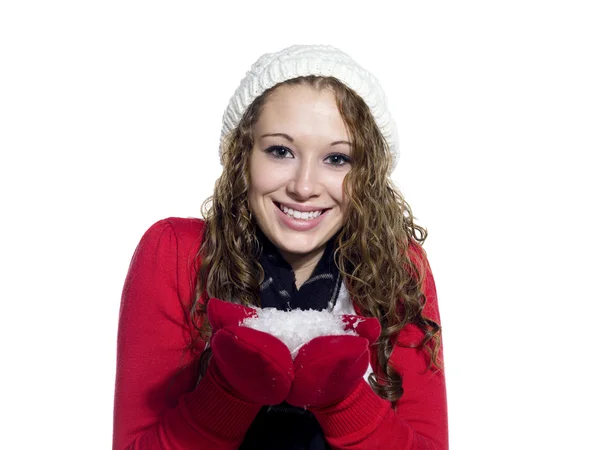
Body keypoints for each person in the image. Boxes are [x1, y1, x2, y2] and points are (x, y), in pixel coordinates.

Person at [112, 44, 448, 450]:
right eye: (280, 151)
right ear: (243, 154)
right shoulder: (176, 254)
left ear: (368, 173)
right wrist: (228, 392)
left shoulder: (397, 268)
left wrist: (342, 399)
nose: (304, 187)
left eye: (337, 159)